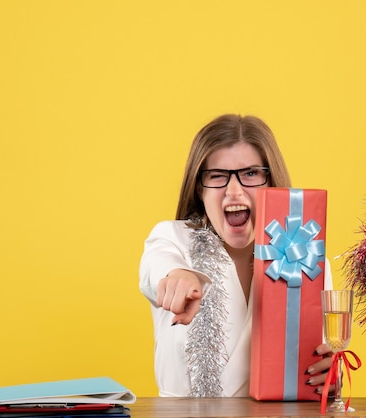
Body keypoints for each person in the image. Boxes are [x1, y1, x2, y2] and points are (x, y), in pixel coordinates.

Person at [139, 114, 334, 397]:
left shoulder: (306, 257)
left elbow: (316, 364)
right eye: (217, 176)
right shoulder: (172, 239)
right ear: (200, 188)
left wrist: (327, 379)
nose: (234, 191)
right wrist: (177, 276)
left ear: (271, 183)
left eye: (251, 174)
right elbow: (156, 268)